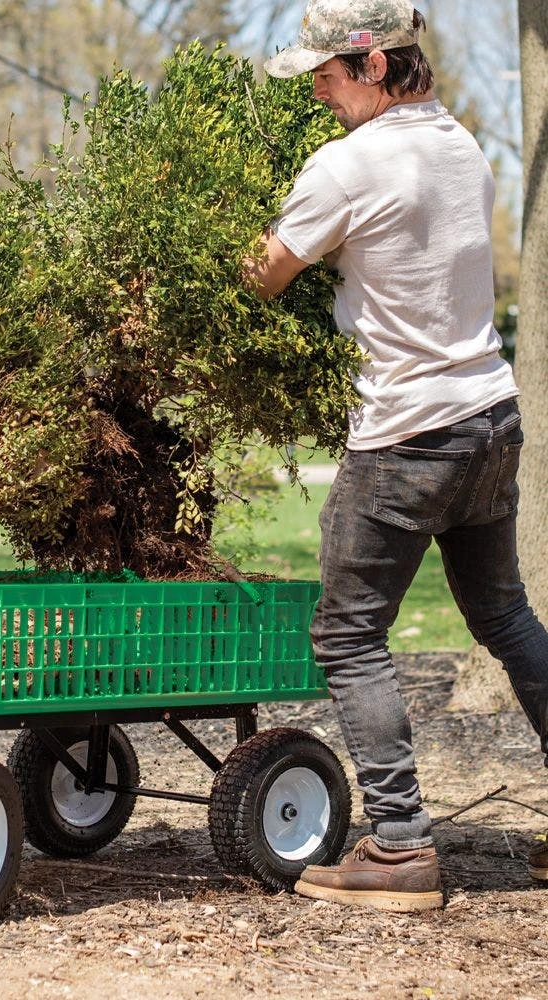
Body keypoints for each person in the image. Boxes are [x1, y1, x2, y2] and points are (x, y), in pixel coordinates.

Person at [244, 0, 548, 912]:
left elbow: (262, 275)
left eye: (328, 76)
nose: (319, 95)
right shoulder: (459, 143)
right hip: (488, 416)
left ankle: (402, 846)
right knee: (504, 618)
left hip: (408, 434)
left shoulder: (348, 166)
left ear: (375, 65)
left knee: (346, 633)